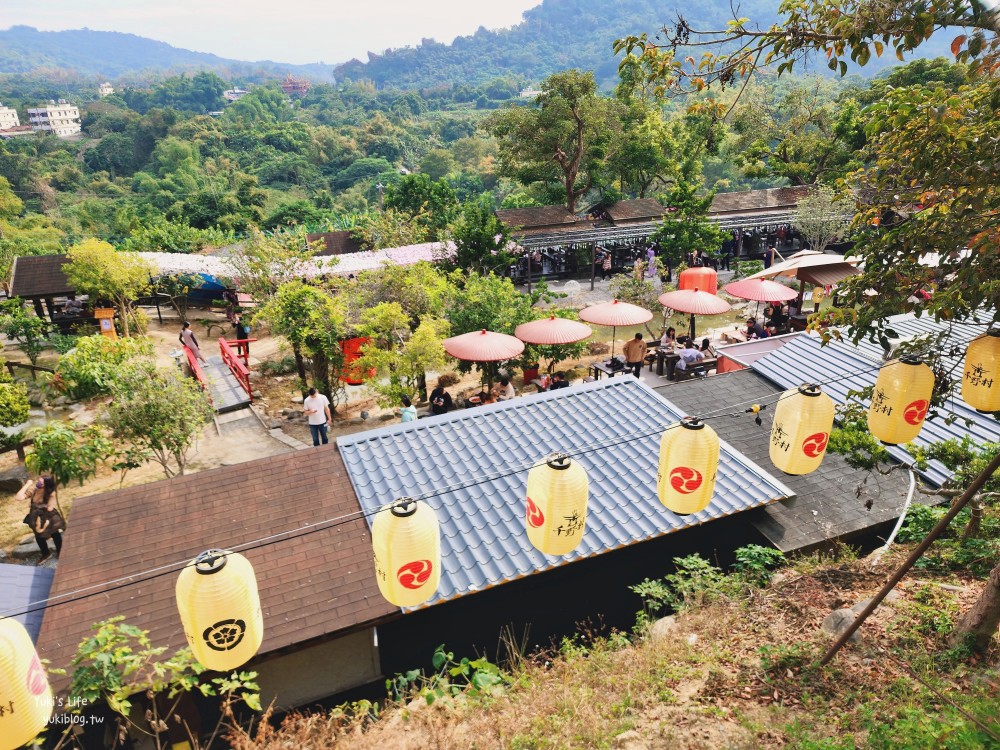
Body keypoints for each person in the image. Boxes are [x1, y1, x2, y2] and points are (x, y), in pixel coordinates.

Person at [17, 476, 63, 563]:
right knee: (39, 537)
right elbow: (18, 498)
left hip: (49, 517)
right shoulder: (34, 490)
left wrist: (36, 506)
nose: (38, 483)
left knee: (55, 534)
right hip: (36, 518)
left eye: (41, 483)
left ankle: (60, 552)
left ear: (46, 484)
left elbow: (50, 508)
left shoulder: (51, 493)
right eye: (38, 481)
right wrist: (27, 484)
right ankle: (46, 554)